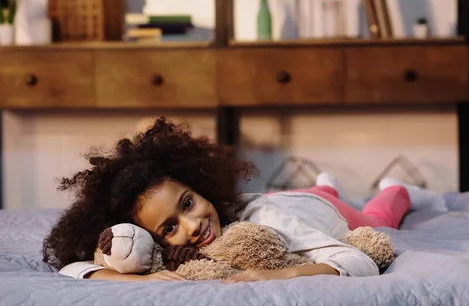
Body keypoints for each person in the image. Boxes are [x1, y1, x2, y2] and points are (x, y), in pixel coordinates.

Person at [43, 117, 445, 282]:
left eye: (187, 204)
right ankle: (326, 182)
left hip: (319, 212)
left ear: (201, 187)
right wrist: (121, 280)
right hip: (290, 198)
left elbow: (358, 261)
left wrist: (278, 275)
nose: (192, 225)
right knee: (311, 191)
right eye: (168, 228)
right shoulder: (159, 252)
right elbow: (74, 267)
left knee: (379, 219)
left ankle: (397, 188)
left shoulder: (265, 217)